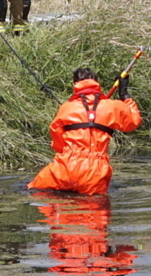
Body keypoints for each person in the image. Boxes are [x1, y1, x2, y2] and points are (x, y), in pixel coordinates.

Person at [28, 67, 142, 195]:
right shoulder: (113, 106)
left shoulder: (66, 108)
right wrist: (124, 93)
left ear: (74, 84)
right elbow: (133, 121)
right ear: (97, 84)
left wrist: (67, 153)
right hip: (96, 173)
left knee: (33, 190)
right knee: (94, 209)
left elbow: (58, 142)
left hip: (65, 168)